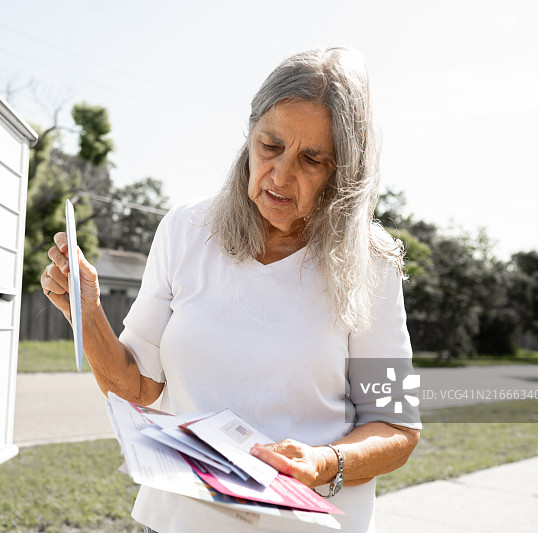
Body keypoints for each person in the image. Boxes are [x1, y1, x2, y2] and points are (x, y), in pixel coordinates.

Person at [40, 46, 421, 533]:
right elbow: (136, 386)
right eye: (270, 146)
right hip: (178, 521)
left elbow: (397, 427)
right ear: (249, 136)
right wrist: (88, 312)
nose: (281, 175)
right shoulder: (185, 229)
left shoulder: (373, 261)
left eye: (311, 159)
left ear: (344, 171)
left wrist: (322, 462)